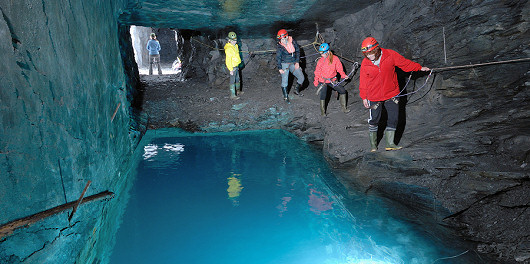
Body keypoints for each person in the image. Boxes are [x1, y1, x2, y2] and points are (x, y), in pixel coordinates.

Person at [358, 37, 430, 152]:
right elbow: (363, 81)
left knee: (393, 118)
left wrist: (419, 68)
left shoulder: (389, 55)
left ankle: (390, 144)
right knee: (374, 119)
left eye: (371, 53)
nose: (369, 56)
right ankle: (373, 146)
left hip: (391, 93)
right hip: (374, 95)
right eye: (366, 54)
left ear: (376, 50)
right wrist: (364, 97)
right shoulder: (365, 63)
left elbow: (404, 64)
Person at [313, 43, 350, 116]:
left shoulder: (335, 59)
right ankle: (323, 112)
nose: (321, 55)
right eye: (320, 53)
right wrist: (316, 80)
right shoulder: (320, 60)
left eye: (322, 53)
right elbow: (317, 71)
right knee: (323, 93)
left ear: (327, 52)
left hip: (332, 80)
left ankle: (344, 108)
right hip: (323, 80)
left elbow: (339, 68)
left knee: (342, 90)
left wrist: (343, 75)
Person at [276, 29, 305, 103]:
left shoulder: (293, 41)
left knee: (301, 77)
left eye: (283, 39)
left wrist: (297, 62)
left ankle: (296, 90)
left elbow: (297, 51)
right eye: (280, 39)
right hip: (285, 63)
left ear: (286, 37)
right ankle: (285, 96)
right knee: (285, 80)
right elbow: (278, 58)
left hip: (293, 62)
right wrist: (280, 68)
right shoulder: (280, 47)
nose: (282, 41)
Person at [224, 31, 242, 99]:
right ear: (229, 40)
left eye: (235, 40)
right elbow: (228, 60)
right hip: (232, 67)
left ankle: (238, 91)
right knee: (232, 80)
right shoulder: (229, 49)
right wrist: (230, 69)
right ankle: (232, 95)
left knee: (237, 78)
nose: (234, 41)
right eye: (232, 40)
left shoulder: (235, 46)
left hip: (236, 65)